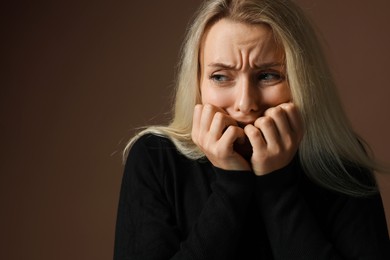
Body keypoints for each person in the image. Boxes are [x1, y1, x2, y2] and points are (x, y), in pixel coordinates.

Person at [114, 0, 390, 259]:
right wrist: (230, 188)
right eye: (221, 77)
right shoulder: (155, 157)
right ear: (198, 83)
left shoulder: (342, 164)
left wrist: (276, 187)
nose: (245, 104)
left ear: (301, 81)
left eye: (268, 75)